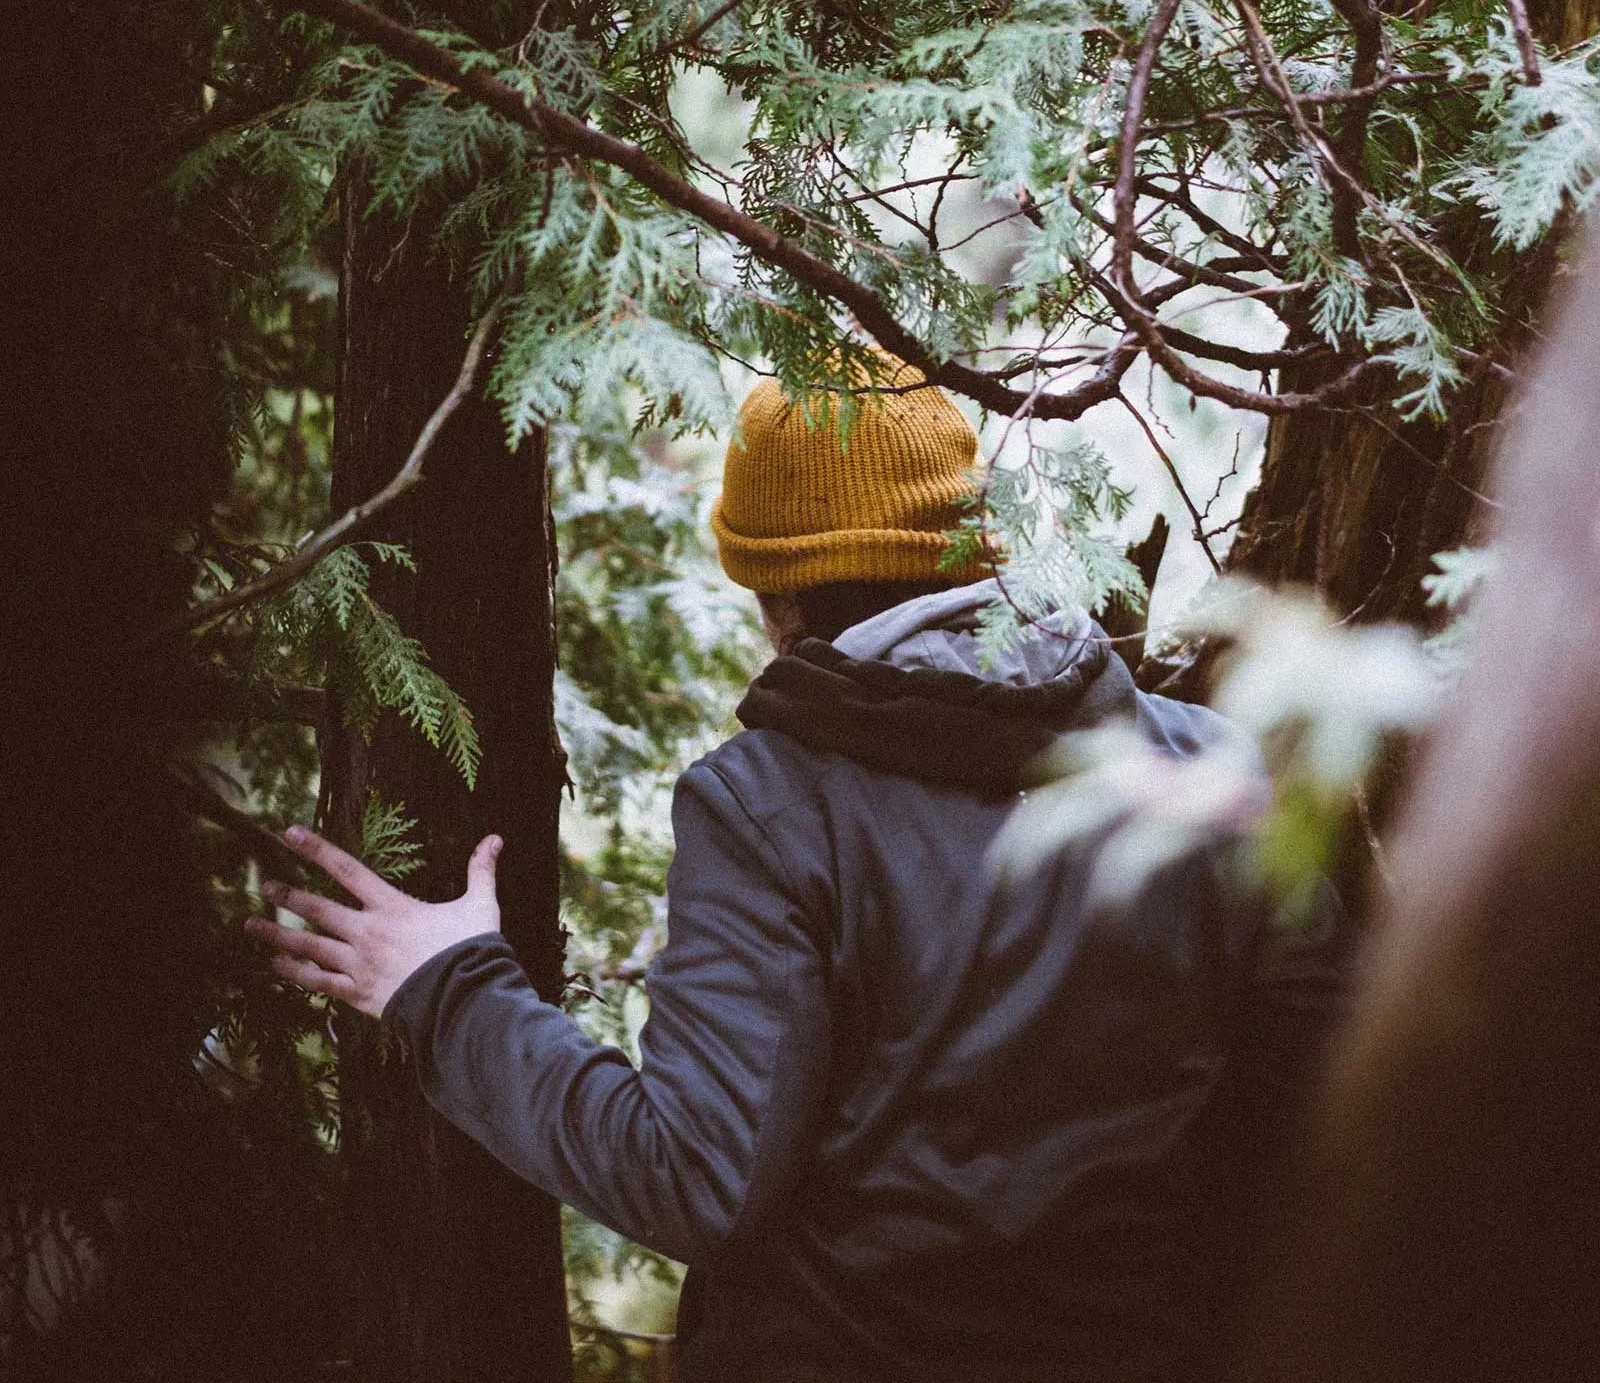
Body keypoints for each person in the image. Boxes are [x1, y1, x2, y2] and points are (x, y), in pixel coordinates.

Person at [249, 359, 1346, 1382]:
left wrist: (450, 990)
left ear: (780, 593)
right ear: (978, 547)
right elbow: (1324, 1100)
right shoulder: (1214, 766)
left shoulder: (767, 809)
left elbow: (696, 1176)